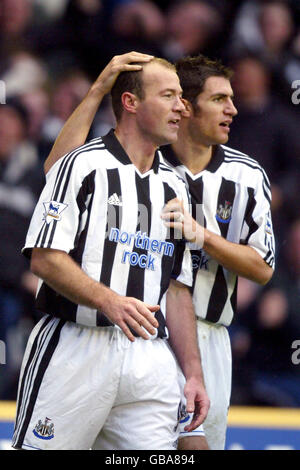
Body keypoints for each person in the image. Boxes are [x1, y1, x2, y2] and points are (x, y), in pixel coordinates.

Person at [43, 53, 275, 450]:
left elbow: (263, 268)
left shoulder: (246, 175)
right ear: (187, 106)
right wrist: (98, 89)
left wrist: (202, 235)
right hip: (125, 331)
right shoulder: (144, 153)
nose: (232, 109)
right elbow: (57, 171)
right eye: (219, 99)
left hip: (201, 331)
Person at [12, 52, 209, 450]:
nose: (180, 107)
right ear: (130, 103)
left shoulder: (176, 186)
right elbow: (44, 258)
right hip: (76, 347)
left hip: (149, 356)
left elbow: (177, 286)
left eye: (181, 96)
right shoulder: (82, 166)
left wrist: (193, 372)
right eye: (168, 95)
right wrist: (109, 301)